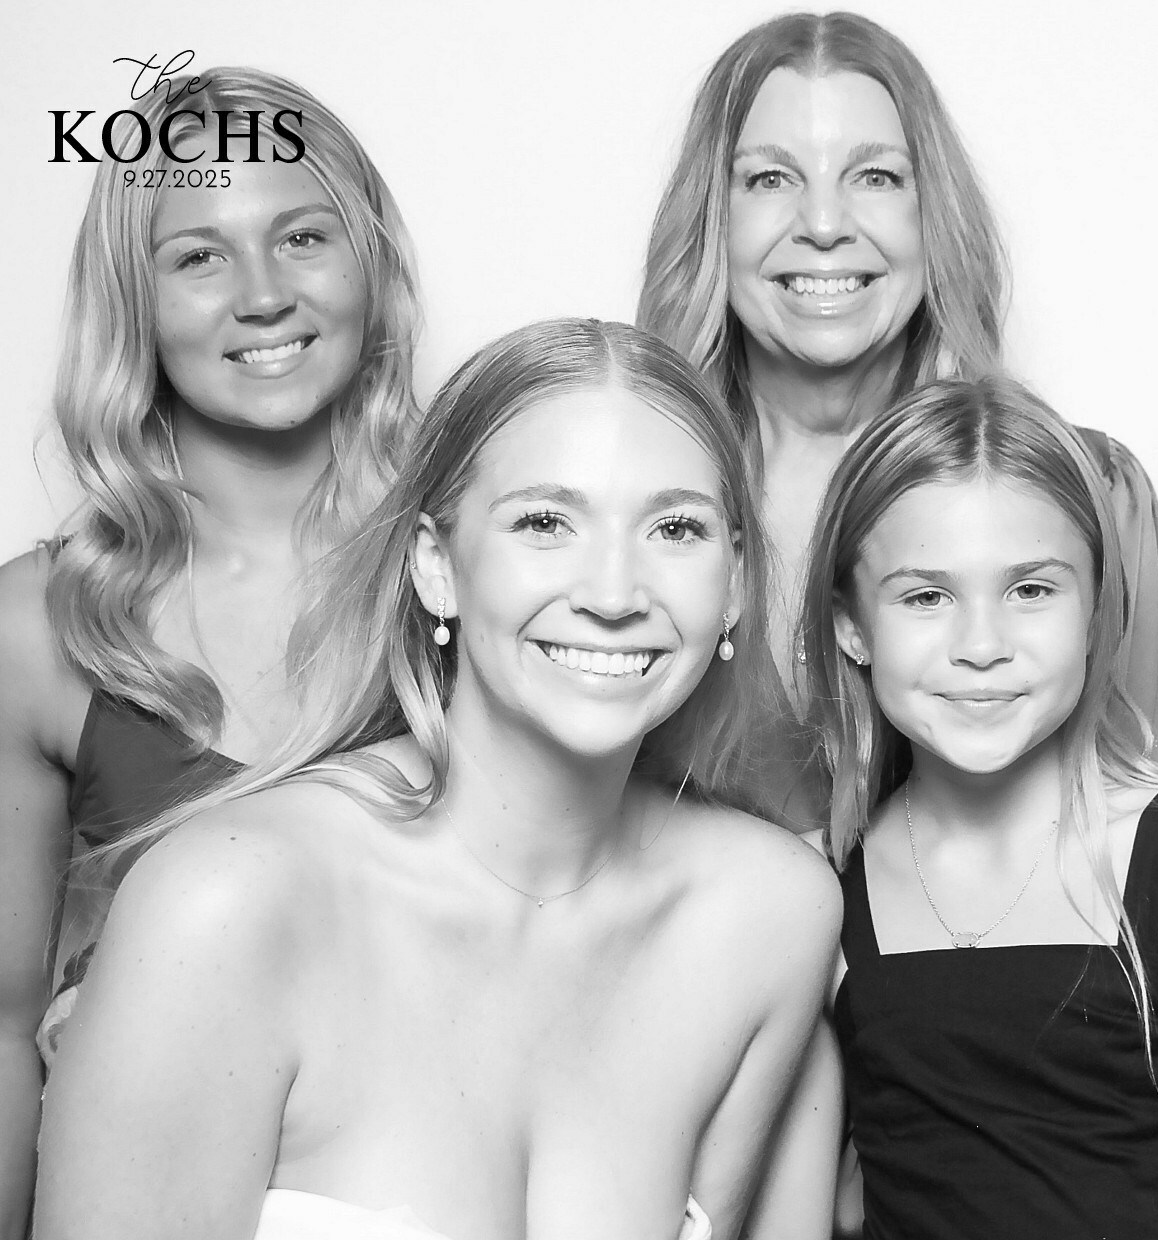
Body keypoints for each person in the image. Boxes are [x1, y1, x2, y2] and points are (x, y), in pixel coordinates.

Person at [34, 319, 842, 1240]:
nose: (615, 594)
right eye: (545, 523)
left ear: (734, 581)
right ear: (434, 567)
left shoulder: (768, 914)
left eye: (676, 528)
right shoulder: (228, 901)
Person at [0, 67, 419, 1236]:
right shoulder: (33, 629)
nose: (264, 295)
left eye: (303, 237)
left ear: (369, 262)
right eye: (198, 256)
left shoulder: (482, 578)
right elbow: (2, 1032)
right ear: (131, 301)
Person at [801, 375, 1158, 1239]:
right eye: (926, 596)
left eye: (1031, 590)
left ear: (1098, 611)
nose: (982, 646)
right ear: (851, 627)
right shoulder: (818, 887)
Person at [638, 11, 1158, 762]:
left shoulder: (1098, 493)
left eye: (875, 177)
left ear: (934, 216)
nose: (823, 224)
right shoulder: (626, 512)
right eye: (769, 178)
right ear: (712, 221)